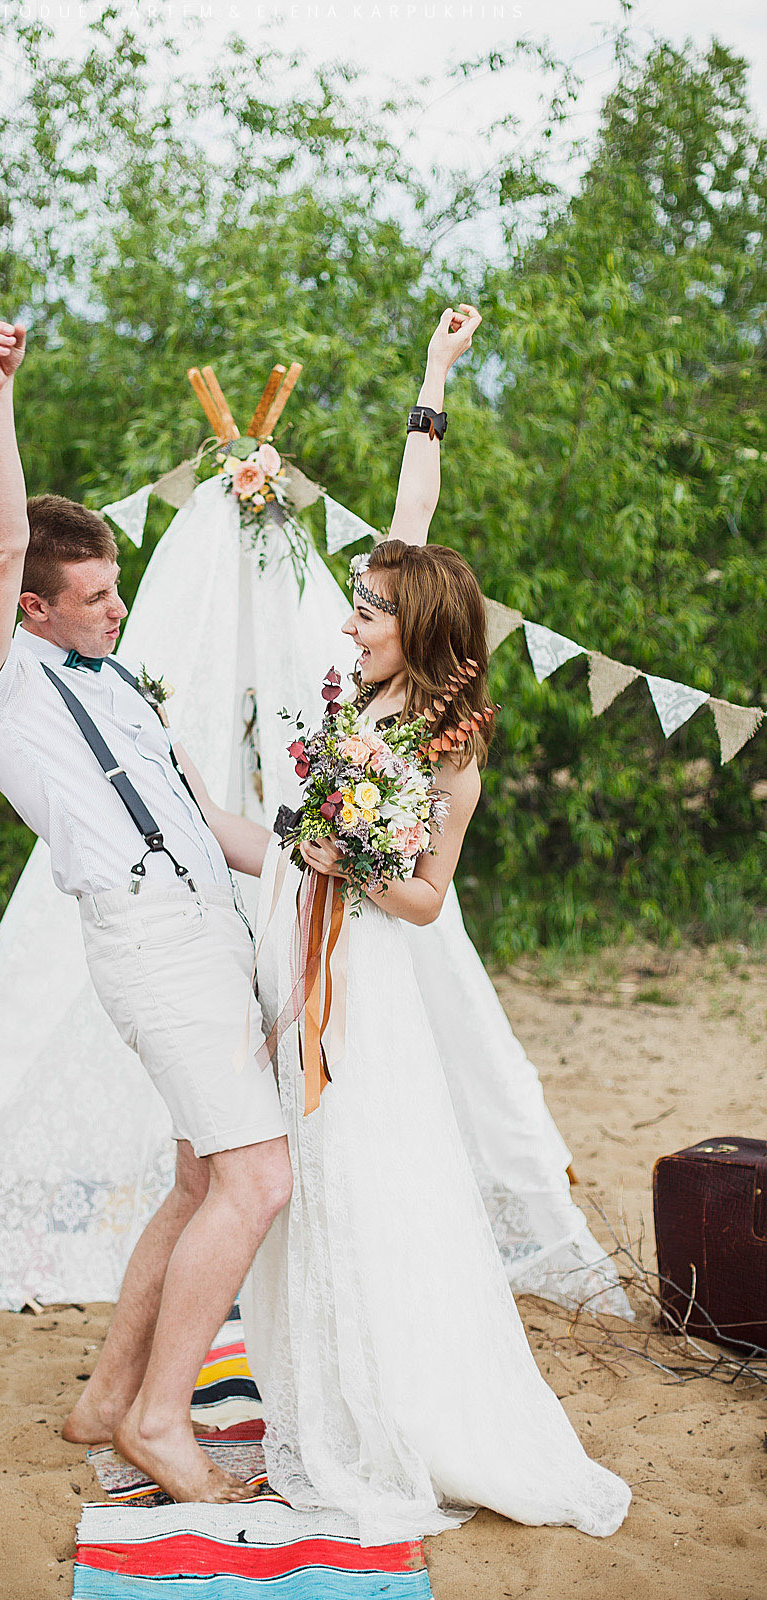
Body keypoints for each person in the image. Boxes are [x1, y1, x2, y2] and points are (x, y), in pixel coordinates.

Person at [202, 307, 633, 1540]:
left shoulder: (445, 751)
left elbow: (426, 895)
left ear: (417, 632)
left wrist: (347, 855)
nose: (350, 617)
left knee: (362, 1180)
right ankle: (317, 1382)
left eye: (369, 611)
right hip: (303, 962)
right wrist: (432, 380)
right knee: (303, 1178)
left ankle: (397, 1405)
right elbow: (410, 522)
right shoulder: (360, 697)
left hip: (371, 989)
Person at [0, 281, 294, 1505]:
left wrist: (331, 857)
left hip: (210, 928)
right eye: (92, 597)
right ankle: (156, 1418)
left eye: (114, 589)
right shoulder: (4, 681)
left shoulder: (116, 682)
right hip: (147, 943)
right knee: (259, 1182)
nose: (115, 608)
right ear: (29, 609)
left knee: (204, 1178)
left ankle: (104, 1394)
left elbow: (210, 821)